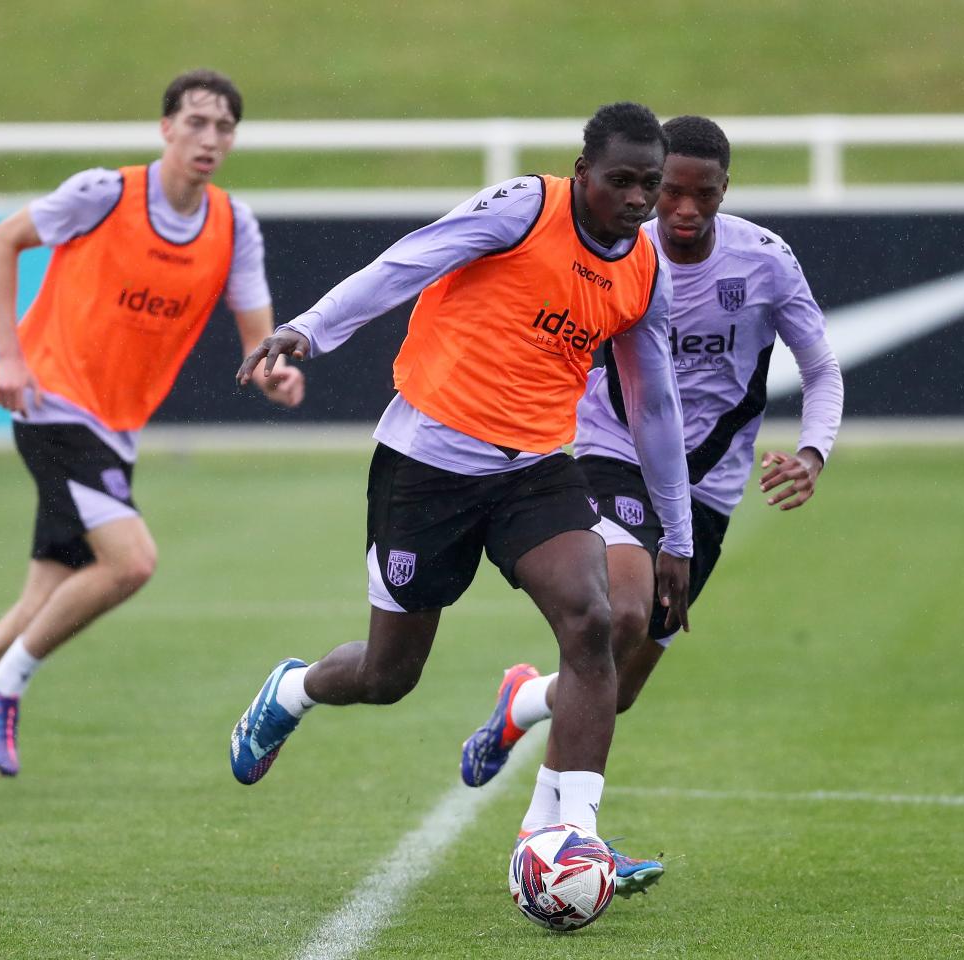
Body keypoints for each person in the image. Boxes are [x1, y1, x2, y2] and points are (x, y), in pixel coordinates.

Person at [228, 103, 693, 856]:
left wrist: (676, 532)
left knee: (594, 623)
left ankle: (570, 833)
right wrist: (308, 328)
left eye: (650, 183)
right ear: (582, 174)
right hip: (427, 465)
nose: (639, 200)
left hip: (536, 470)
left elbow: (656, 404)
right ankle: (292, 690)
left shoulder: (643, 270)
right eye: (622, 182)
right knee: (388, 675)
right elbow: (408, 262)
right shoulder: (522, 208)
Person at [458, 115, 844, 896]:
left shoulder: (765, 262)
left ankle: (525, 704)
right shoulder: (621, 254)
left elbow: (822, 366)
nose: (685, 210)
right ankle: (564, 839)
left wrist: (811, 453)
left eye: (704, 195)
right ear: (653, 184)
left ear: (724, 191)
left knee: (618, 685)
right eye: (671, 191)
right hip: (610, 455)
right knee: (622, 614)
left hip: (710, 490)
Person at [0, 69, 305, 776]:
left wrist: (275, 374)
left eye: (224, 127)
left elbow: (256, 343)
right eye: (197, 122)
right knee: (132, 560)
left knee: (45, 596)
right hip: (52, 402)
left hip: (114, 428)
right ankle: (5, 685)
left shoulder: (233, 226)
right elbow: (1, 242)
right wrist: (8, 356)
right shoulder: (105, 193)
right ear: (166, 128)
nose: (210, 138)